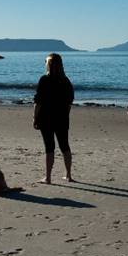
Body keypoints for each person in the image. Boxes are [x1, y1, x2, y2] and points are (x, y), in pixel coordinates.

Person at [33, 53, 75, 183]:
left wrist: (35, 117)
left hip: (46, 118)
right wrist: (65, 115)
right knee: (64, 146)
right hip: (62, 117)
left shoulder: (44, 80)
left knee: (49, 147)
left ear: (48, 64)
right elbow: (69, 102)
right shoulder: (65, 80)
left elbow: (38, 101)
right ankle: (68, 175)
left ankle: (48, 177)